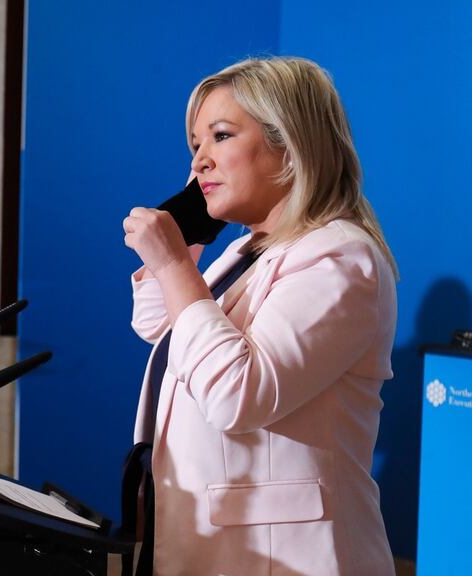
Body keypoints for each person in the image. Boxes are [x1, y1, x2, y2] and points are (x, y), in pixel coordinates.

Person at [122, 57, 398, 575]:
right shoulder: (251, 249)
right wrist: (191, 234)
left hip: (286, 558)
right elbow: (160, 326)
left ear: (291, 145)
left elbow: (236, 393)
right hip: (212, 545)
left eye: (220, 136)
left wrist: (173, 262)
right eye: (195, 145)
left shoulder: (340, 257)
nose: (200, 160)